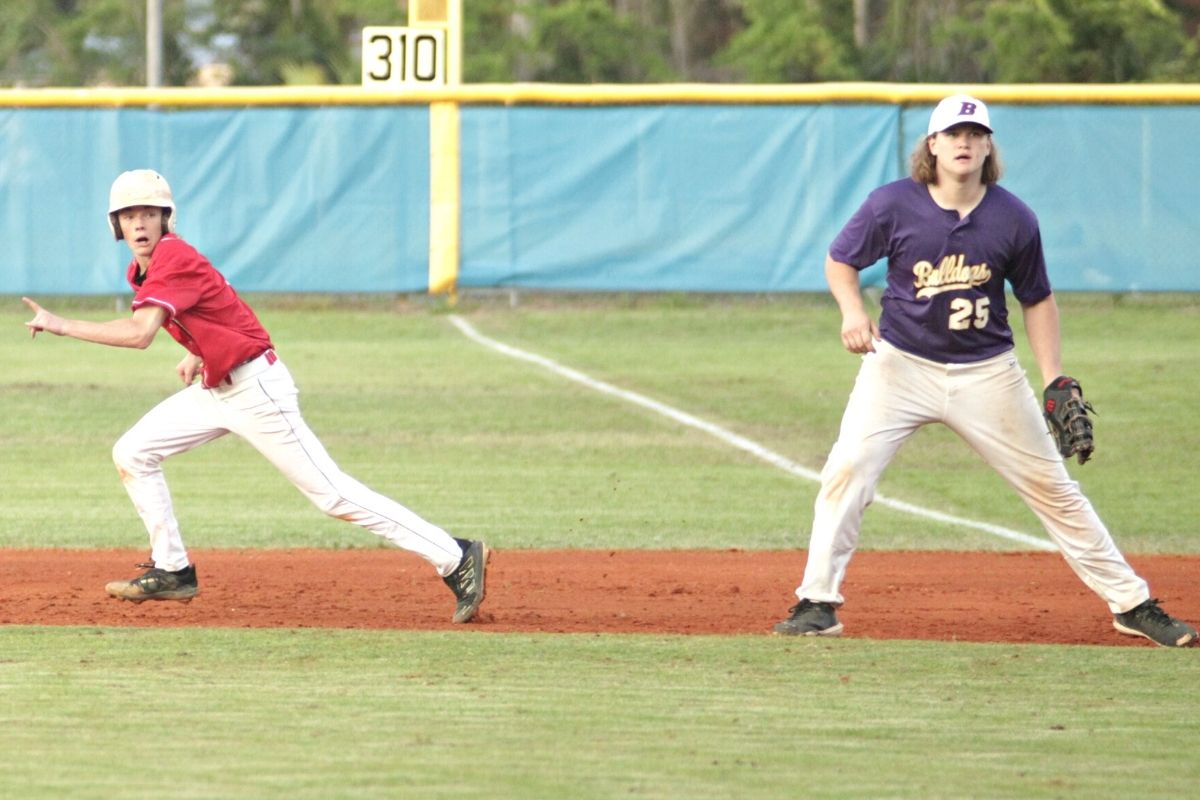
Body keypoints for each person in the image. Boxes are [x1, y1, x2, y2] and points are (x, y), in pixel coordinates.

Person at [773, 95, 1197, 647]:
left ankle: (1132, 604)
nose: (964, 142)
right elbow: (840, 259)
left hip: (987, 373)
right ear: (933, 145)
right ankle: (817, 602)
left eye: (975, 133)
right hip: (898, 367)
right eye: (953, 133)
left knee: (1054, 488)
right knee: (847, 472)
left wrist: (1053, 377)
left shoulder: (1013, 217)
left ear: (988, 145)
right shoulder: (892, 205)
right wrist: (853, 311)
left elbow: (1037, 298)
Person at [23, 169, 489, 623]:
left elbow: (140, 333)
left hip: (256, 390)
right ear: (116, 225)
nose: (139, 223)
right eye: (128, 215)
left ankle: (455, 555)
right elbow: (223, 308)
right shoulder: (143, 269)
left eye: (149, 212)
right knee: (133, 451)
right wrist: (202, 352)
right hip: (219, 386)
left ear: (166, 218)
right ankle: (173, 569)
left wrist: (61, 324)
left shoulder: (174, 256)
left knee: (331, 494)